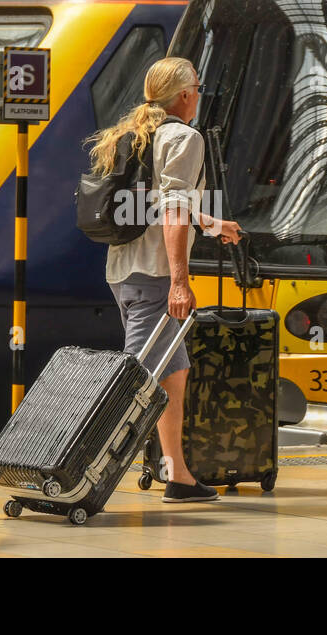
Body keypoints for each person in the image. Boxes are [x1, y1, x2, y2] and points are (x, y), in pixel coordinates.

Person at [88, 57, 243, 504]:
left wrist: (213, 225)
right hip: (156, 276)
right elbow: (172, 210)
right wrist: (180, 281)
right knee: (134, 382)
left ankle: (178, 475)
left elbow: (155, 206)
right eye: (197, 88)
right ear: (185, 95)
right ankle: (78, 467)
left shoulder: (131, 134)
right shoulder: (184, 137)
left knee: (173, 374)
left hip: (123, 272)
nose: (199, 95)